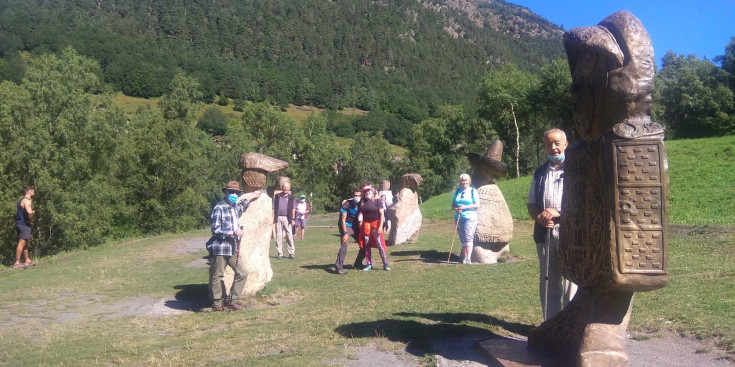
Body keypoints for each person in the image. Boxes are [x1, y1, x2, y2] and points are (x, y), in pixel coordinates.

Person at [527, 128, 578, 321]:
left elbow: (583, 201)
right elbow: (531, 203)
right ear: (544, 146)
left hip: (571, 232)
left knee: (572, 280)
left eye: (557, 143)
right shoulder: (539, 173)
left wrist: (559, 213)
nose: (553, 147)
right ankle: (551, 324)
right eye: (549, 144)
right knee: (549, 279)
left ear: (566, 144)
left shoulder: (575, 169)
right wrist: (540, 217)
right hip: (545, 233)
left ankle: (572, 323)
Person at [206, 181, 260, 312]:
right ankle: (217, 304)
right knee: (217, 275)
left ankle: (232, 301)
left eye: (236, 193)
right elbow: (216, 229)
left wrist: (252, 195)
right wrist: (232, 232)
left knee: (243, 272)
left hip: (233, 247)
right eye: (231, 192)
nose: (234, 195)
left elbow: (243, 205)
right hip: (221, 247)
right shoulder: (219, 207)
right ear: (226, 192)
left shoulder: (235, 207)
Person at [358, 185, 390, 271]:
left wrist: (380, 226)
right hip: (366, 225)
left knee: (380, 244)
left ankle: (385, 263)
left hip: (376, 225)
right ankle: (369, 264)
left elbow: (382, 214)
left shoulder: (378, 201)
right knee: (367, 245)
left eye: (369, 191)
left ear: (372, 191)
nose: (367, 193)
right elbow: (361, 211)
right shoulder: (363, 202)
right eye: (365, 192)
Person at [452, 174, 479, 264]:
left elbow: (476, 205)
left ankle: (468, 258)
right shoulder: (458, 191)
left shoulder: (472, 191)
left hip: (470, 217)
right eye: (462, 180)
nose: (464, 182)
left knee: (468, 237)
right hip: (458, 217)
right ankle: (465, 258)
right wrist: (457, 209)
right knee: (463, 238)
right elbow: (453, 204)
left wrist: (464, 207)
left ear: (469, 181)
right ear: (460, 182)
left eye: (466, 180)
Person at [335, 187, 363, 274]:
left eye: (358, 195)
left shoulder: (361, 204)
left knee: (365, 245)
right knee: (344, 244)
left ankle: (358, 263)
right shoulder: (347, 204)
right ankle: (338, 267)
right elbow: (343, 220)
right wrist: (345, 233)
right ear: (352, 196)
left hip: (357, 227)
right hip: (347, 226)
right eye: (355, 195)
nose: (357, 197)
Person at [13, 186, 36, 269]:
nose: (34, 193)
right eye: (33, 191)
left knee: (25, 242)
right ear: (30, 192)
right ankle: (17, 262)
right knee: (22, 242)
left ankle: (27, 260)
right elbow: (29, 212)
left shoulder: (21, 200)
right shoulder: (27, 201)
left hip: (20, 223)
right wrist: (31, 218)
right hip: (24, 224)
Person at [272, 181, 296, 259]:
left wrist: (293, 219)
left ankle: (291, 253)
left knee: (289, 235)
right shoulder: (277, 196)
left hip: (287, 218)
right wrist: (273, 217)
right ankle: (280, 253)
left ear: (289, 188)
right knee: (279, 235)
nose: (286, 188)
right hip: (278, 217)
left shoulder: (292, 198)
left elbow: (293, 209)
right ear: (282, 188)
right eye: (284, 187)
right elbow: (273, 207)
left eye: (287, 187)